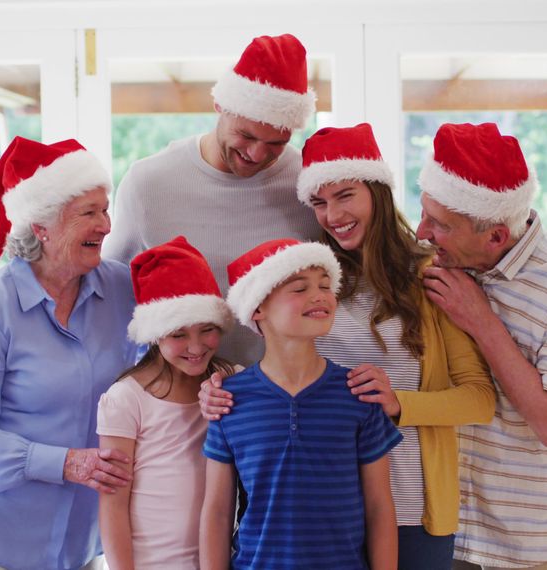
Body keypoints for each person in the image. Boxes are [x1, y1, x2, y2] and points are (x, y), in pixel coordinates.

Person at [200, 123, 496, 568]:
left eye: (345, 195)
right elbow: (283, 367)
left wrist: (399, 404)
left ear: (375, 190)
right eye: (319, 202)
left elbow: (479, 399)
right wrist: (222, 389)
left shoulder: (428, 276)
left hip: (412, 503)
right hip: (323, 509)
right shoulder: (313, 279)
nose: (332, 214)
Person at [0, 137, 138, 570]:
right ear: (41, 227)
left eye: (105, 208)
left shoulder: (120, 288)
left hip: (78, 539)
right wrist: (66, 463)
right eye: (89, 213)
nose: (107, 225)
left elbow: (167, 361)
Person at [415, 123, 547, 570]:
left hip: (527, 540)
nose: (421, 232)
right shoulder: (439, 260)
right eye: (424, 213)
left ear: (496, 236)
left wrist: (481, 319)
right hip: (445, 529)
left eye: (439, 224)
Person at [104, 33, 322, 366]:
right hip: (181, 395)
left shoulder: (308, 183)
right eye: (246, 135)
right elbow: (111, 295)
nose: (256, 153)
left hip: (282, 396)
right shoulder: (149, 183)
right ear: (220, 105)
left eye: (276, 143)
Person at [200, 239, 402, 570]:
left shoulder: (358, 393)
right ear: (258, 308)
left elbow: (379, 506)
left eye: (325, 285)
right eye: (299, 288)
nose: (320, 295)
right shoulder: (228, 401)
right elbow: (218, 511)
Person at [96, 236, 237, 570]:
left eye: (207, 330)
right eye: (178, 334)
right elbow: (112, 505)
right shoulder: (126, 398)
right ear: (156, 334)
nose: (196, 346)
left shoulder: (232, 382)